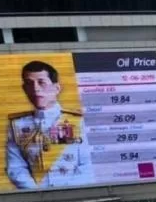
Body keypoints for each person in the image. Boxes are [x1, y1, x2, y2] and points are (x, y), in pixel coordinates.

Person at [5, 60, 93, 189]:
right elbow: (16, 167)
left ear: (56, 88)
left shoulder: (78, 121)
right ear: (24, 89)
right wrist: (37, 193)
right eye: (29, 83)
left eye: (41, 82)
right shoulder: (17, 125)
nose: (35, 88)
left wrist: (65, 193)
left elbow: (88, 164)